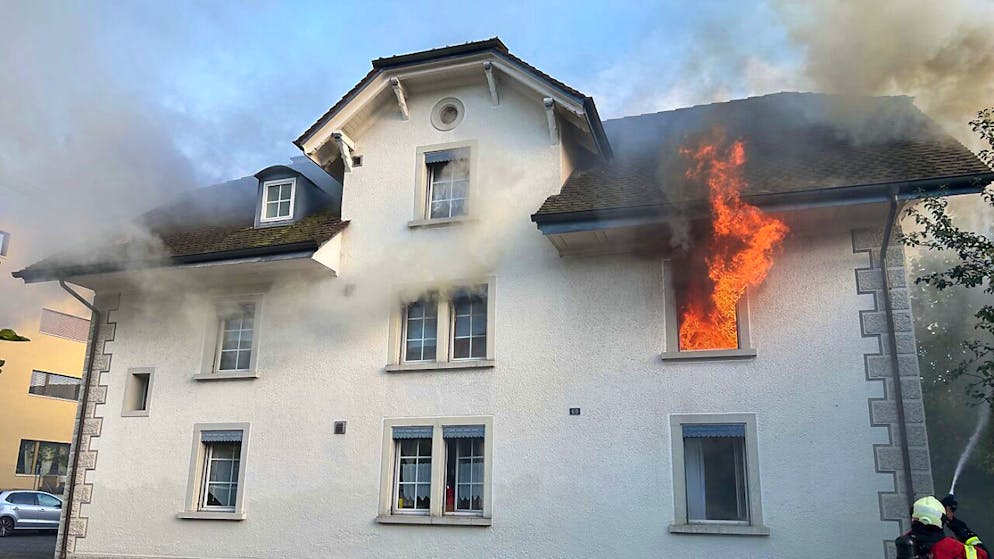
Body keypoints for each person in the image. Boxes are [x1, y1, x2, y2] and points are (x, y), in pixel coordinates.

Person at [896, 496, 988, 559]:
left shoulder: (906, 543)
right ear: (941, 519)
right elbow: (984, 555)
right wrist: (956, 524)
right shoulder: (950, 547)